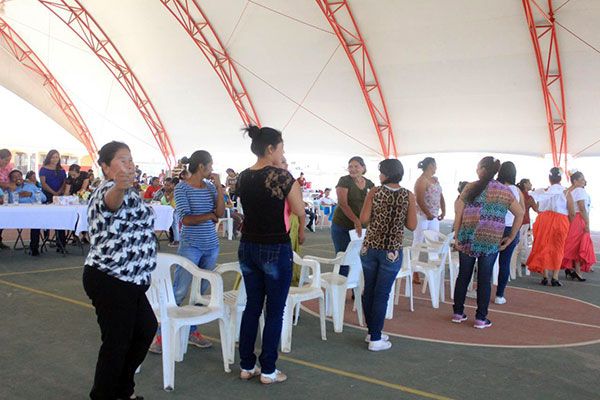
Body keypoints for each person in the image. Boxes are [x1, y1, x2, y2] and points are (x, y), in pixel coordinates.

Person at [82, 141, 157, 400]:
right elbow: (110, 203)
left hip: (131, 281)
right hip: (110, 278)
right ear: (105, 166)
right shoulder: (107, 191)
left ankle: (122, 390)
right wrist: (119, 186)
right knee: (116, 343)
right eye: (122, 160)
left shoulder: (133, 193)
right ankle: (103, 395)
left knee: (145, 329)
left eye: (131, 159)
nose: (130, 164)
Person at [236, 125, 304, 384]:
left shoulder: (243, 176)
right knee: (275, 310)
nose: (283, 152)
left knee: (252, 306)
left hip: (248, 246)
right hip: (275, 247)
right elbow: (298, 210)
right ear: (271, 148)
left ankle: (246, 364)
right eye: (282, 147)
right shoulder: (283, 177)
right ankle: (268, 370)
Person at [150, 150, 224, 353]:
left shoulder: (210, 188)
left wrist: (219, 187)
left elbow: (220, 212)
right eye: (210, 165)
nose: (212, 169)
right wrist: (208, 215)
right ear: (201, 166)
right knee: (180, 289)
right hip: (191, 245)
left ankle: (192, 330)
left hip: (211, 245)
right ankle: (161, 335)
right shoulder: (182, 189)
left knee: (200, 292)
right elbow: (186, 219)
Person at [452, 157, 523, 329]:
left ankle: (458, 312)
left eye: (477, 167)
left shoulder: (469, 187)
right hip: (490, 240)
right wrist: (511, 237)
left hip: (468, 237)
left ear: (482, 169)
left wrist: (457, 236)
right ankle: (481, 318)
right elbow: (520, 214)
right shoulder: (504, 191)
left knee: (464, 275)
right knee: (485, 278)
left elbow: (458, 213)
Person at [359, 159, 416, 351]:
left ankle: (372, 332)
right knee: (382, 293)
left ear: (386, 174)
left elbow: (364, 219)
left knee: (369, 290)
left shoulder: (375, 192)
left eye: (380, 172)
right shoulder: (408, 195)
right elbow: (412, 225)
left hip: (370, 247)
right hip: (392, 250)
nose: (379, 175)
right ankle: (376, 338)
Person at [526, 168, 571, 286]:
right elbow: (571, 210)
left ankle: (545, 276)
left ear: (549, 178)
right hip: (560, 220)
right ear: (560, 178)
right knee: (558, 247)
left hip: (544, 219)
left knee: (542, 245)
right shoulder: (566, 191)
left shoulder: (543, 191)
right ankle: (555, 277)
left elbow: (539, 207)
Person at [331, 156, 375, 276]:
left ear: (363, 168)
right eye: (350, 166)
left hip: (362, 227)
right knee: (343, 257)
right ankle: (342, 289)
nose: (353, 169)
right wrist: (356, 221)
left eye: (356, 166)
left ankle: (356, 286)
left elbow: (373, 204)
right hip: (342, 225)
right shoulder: (344, 181)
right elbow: (343, 204)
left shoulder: (370, 184)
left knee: (360, 257)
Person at [494, 162, 525, 305]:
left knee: (487, 262)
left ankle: (482, 290)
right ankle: (500, 295)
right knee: (504, 263)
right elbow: (522, 211)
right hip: (511, 228)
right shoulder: (517, 191)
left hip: (495, 227)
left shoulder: (496, 187)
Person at [413, 157, 445, 284]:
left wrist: (443, 210)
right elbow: (419, 200)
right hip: (422, 216)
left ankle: (433, 267)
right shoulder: (421, 181)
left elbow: (441, 196)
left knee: (434, 241)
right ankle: (414, 269)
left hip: (434, 216)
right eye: (435, 165)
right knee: (418, 241)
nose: (436, 168)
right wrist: (427, 213)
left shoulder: (435, 180)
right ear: (431, 165)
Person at [562, 171, 596, 281]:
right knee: (579, 244)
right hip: (578, 219)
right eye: (581, 179)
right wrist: (587, 223)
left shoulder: (568, 191)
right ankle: (577, 270)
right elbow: (582, 208)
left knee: (573, 243)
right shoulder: (580, 191)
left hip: (570, 219)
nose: (583, 181)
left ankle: (574, 269)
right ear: (575, 181)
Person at [8, 170, 46, 256]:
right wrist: (13, 191)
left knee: (36, 222)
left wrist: (31, 194)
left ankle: (34, 248)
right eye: (14, 177)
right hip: (18, 215)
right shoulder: (11, 189)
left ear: (22, 177)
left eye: (19, 176)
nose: (17, 178)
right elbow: (10, 202)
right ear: (11, 180)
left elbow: (44, 198)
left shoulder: (31, 186)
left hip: (33, 213)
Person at [39, 149, 67, 250]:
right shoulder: (43, 169)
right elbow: (43, 184)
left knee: (60, 219)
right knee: (47, 217)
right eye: (53, 157)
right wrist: (53, 192)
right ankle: (46, 237)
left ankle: (61, 243)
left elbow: (64, 182)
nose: (55, 159)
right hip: (47, 195)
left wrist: (59, 192)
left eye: (57, 157)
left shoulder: (62, 170)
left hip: (59, 195)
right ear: (49, 157)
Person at [515, 179, 538, 271]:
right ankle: (524, 261)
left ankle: (517, 262)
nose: (531, 184)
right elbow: (537, 209)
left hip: (517, 221)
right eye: (529, 183)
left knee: (519, 243)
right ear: (525, 184)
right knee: (524, 243)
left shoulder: (517, 194)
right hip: (525, 221)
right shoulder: (529, 197)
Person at [0, 148, 14, 249]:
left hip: (4, 195)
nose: (7, 162)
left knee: (2, 219)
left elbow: (11, 179)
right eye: (5, 160)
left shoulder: (8, 167)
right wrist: (7, 185)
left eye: (9, 160)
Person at [160, 178, 179, 247]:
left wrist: (165, 194)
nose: (167, 186)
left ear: (173, 184)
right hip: (175, 208)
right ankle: (176, 239)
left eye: (169, 185)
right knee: (175, 225)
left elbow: (168, 200)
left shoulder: (174, 191)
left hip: (174, 209)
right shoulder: (176, 190)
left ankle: (177, 240)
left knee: (175, 225)